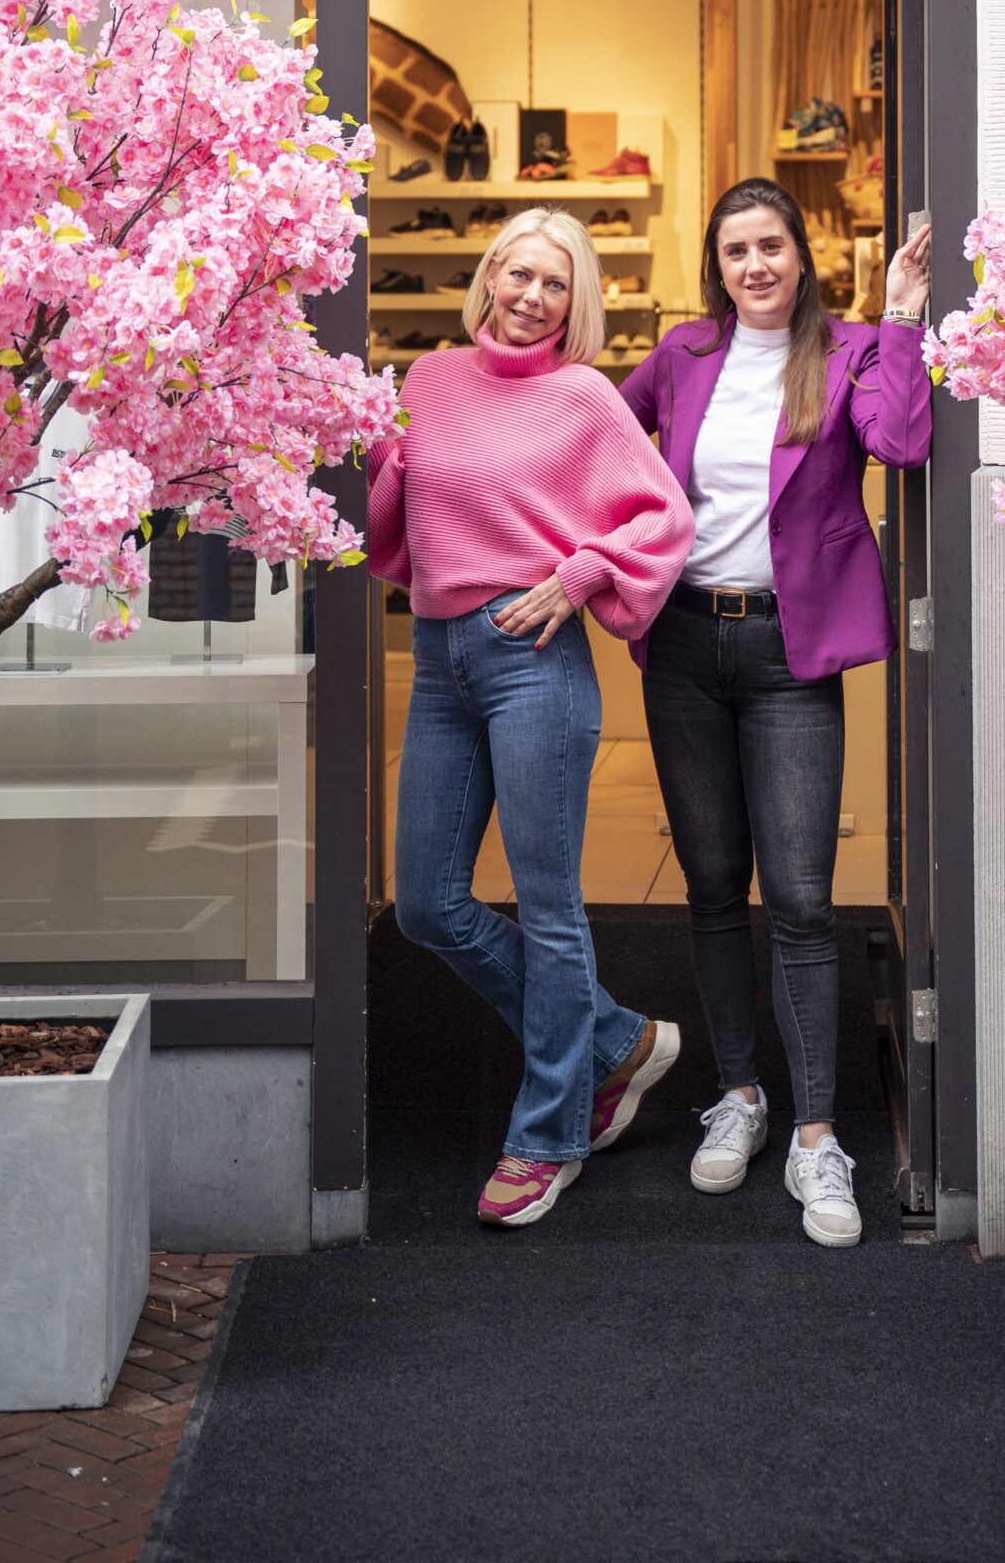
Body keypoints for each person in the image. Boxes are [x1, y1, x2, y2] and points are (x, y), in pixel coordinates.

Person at [367, 207, 694, 1229]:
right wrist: (382, 458)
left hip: (532, 660)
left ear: (574, 301)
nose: (531, 296)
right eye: (518, 273)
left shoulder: (583, 397)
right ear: (488, 277)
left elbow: (663, 515)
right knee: (425, 904)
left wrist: (581, 571)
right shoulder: (428, 381)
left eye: (555, 283)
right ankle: (615, 1040)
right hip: (439, 660)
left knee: (548, 906)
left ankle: (547, 1137)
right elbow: (392, 523)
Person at [620, 178, 932, 1247]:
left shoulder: (848, 352)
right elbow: (595, 437)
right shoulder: (681, 355)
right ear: (715, 265)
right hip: (682, 644)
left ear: (800, 256)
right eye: (734, 250)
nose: (753, 265)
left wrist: (900, 316)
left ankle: (816, 1136)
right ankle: (738, 1096)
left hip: (789, 654)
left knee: (798, 896)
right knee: (713, 885)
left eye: (769, 246)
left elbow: (900, 443)